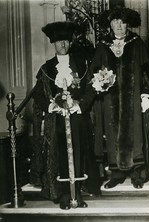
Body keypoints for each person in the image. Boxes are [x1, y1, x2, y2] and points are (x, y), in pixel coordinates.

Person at [80, 7, 149, 189]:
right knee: (112, 133)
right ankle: (117, 173)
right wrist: (99, 83)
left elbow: (147, 72)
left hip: (133, 96)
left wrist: (147, 94)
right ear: (110, 24)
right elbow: (94, 72)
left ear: (128, 24)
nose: (119, 25)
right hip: (110, 98)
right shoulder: (103, 45)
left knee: (135, 132)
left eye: (122, 22)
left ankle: (137, 173)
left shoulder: (137, 43)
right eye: (115, 22)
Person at [32, 21, 101, 210]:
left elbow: (91, 89)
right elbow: (38, 94)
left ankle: (76, 193)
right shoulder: (46, 69)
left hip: (78, 117)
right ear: (53, 44)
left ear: (70, 43)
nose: (63, 45)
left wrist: (80, 105)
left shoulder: (82, 64)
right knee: (61, 154)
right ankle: (64, 194)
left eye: (66, 42)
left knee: (78, 154)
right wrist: (52, 106)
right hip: (57, 120)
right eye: (59, 42)